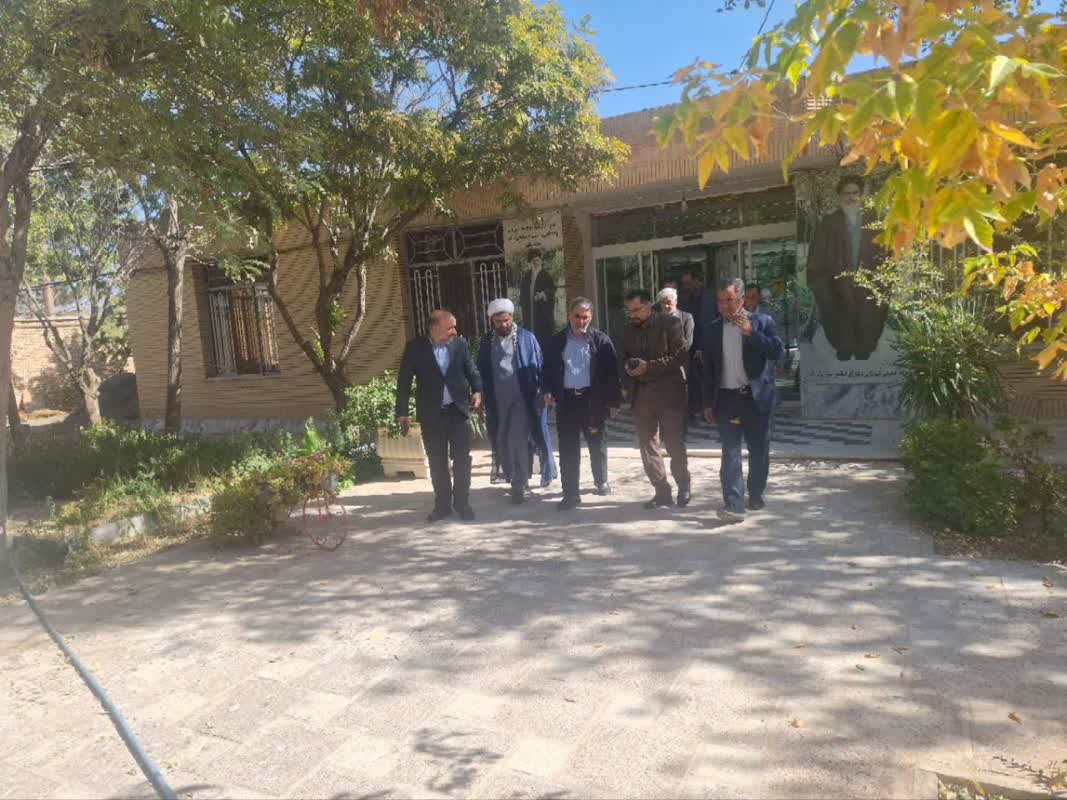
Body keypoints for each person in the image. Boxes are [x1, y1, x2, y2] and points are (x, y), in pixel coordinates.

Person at [702, 278, 784, 523]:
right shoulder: (711, 330)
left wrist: (751, 333)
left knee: (758, 450)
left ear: (741, 299)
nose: (725, 305)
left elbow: (777, 351)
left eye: (730, 299)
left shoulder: (762, 322)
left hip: (756, 398)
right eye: (721, 301)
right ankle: (734, 504)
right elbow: (708, 370)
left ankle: (755, 493)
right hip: (727, 399)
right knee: (730, 452)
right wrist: (707, 402)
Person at [396, 310, 483, 522]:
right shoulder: (415, 348)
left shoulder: (459, 344)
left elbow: (471, 370)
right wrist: (402, 412)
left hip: (458, 411)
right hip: (432, 415)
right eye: (450, 328)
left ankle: (462, 503)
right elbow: (404, 381)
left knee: (462, 460)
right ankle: (442, 506)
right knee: (437, 462)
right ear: (435, 328)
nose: (454, 331)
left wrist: (478, 390)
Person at [544, 297, 622, 510]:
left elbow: (612, 374)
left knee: (597, 442)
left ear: (591, 317)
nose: (580, 321)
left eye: (585, 317)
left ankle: (601, 480)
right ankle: (571, 493)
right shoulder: (557, 341)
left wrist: (614, 401)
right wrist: (547, 389)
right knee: (568, 448)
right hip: (567, 402)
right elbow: (547, 369)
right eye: (577, 316)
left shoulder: (601, 341)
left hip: (592, 401)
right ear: (569, 315)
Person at [478, 297, 557, 504]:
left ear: (512, 317)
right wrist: (479, 394)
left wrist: (545, 390)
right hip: (498, 399)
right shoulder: (486, 341)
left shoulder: (526, 338)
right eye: (498, 322)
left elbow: (539, 365)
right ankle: (512, 475)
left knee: (517, 438)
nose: (503, 325)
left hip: (523, 396)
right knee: (502, 439)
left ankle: (519, 483)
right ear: (492, 321)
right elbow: (481, 370)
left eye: (506, 320)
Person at [622, 288, 691, 509]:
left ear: (648, 306)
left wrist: (648, 367)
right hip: (642, 394)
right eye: (629, 310)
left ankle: (684, 486)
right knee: (647, 446)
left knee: (674, 444)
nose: (631, 315)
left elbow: (680, 357)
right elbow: (623, 357)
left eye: (635, 310)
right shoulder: (627, 330)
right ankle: (661, 491)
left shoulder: (670, 323)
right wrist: (628, 368)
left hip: (669, 394)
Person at [807, 175, 888, 360]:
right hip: (837, 285)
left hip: (868, 284)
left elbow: (885, 253)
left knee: (868, 320)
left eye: (855, 193)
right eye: (846, 193)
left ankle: (863, 352)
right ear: (840, 196)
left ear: (861, 195)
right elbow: (817, 256)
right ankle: (843, 350)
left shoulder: (874, 221)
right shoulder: (829, 222)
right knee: (840, 320)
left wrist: (882, 280)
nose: (851, 197)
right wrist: (822, 285)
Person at [679, 269, 712, 416]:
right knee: (691, 381)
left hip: (707, 347)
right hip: (689, 348)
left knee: (708, 381)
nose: (686, 286)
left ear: (698, 281)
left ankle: (708, 410)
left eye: (688, 283)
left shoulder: (711, 298)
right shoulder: (684, 300)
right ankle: (693, 410)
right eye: (684, 284)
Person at [519, 247, 557, 349]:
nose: (536, 263)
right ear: (530, 262)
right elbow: (522, 295)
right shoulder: (526, 277)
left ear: (541, 261)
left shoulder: (546, 275)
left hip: (542, 314)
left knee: (543, 341)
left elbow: (552, 289)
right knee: (530, 339)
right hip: (529, 313)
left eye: (538, 260)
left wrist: (544, 294)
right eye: (534, 261)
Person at [656, 286, 694, 352]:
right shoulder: (656, 319)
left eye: (669, 302)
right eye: (663, 302)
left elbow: (688, 343)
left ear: (676, 301)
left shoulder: (686, 317)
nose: (666, 306)